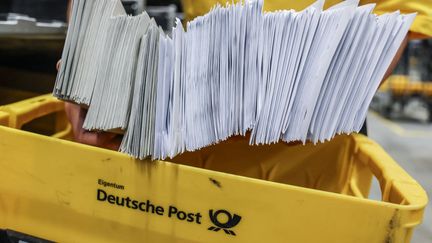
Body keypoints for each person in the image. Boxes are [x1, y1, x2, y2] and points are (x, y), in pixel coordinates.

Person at [61, 0, 431, 150]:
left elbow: (393, 20)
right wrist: (86, 64)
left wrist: (292, 112)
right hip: (181, 146)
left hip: (307, 164)